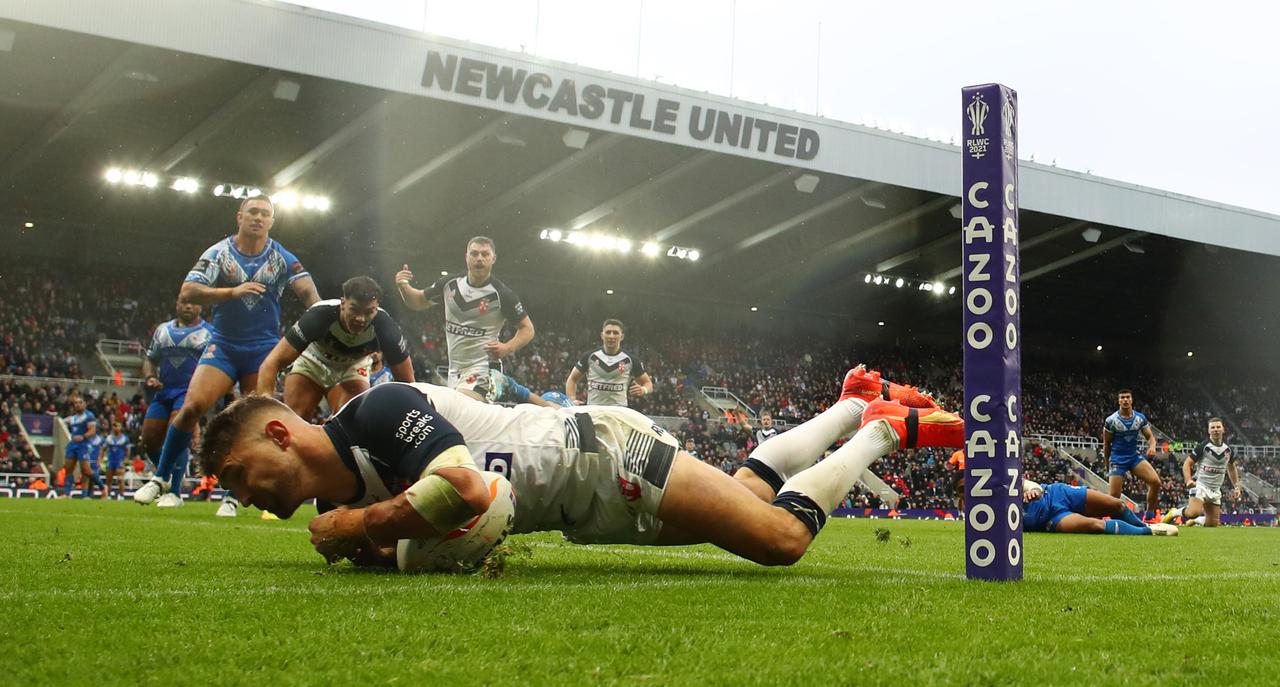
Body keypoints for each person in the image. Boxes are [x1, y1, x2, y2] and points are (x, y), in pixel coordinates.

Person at [198, 366, 965, 570]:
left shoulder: (372, 413)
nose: (246, 496)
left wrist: (360, 526)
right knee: (742, 498)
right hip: (579, 509)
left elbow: (462, 489)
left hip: (599, 453)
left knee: (776, 541)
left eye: (239, 474)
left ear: (277, 433)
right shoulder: (354, 467)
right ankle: (849, 406)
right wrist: (376, 544)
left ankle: (878, 434)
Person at [134, 195, 319, 516]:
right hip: (224, 346)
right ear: (239, 217)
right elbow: (188, 292)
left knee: (254, 424)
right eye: (253, 212)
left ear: (272, 222)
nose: (258, 218)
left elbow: (307, 291)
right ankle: (161, 478)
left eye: (265, 214)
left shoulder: (280, 257)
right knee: (191, 407)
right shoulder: (219, 254)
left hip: (262, 351)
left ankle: (233, 496)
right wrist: (230, 292)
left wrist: (319, 315)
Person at [394, 237, 534, 402]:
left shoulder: (502, 294)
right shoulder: (449, 284)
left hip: (484, 369)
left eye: (485, 254)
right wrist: (403, 285)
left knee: (460, 408)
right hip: (455, 371)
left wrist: (508, 347)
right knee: (459, 418)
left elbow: (527, 329)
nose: (479, 258)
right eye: (474, 253)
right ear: (466, 256)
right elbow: (417, 302)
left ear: (493, 258)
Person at [255, 276, 414, 419]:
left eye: (368, 312)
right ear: (343, 304)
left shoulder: (386, 327)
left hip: (352, 368)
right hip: (313, 361)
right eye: (354, 309)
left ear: (376, 307)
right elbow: (271, 363)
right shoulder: (319, 315)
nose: (360, 319)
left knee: (350, 422)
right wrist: (265, 414)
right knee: (296, 417)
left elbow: (409, 384)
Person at [139, 299, 213, 507]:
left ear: (201, 307)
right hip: (164, 391)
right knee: (149, 440)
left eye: (194, 303)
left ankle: (174, 493)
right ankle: (167, 473)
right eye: (184, 303)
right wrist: (149, 377)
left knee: (176, 429)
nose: (189, 306)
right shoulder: (163, 330)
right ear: (176, 305)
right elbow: (150, 359)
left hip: (190, 392)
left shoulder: (210, 333)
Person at [1021, 480, 1178, 535]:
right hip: (1049, 520)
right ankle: (1149, 531)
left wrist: (1035, 491)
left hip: (1056, 494)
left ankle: (1143, 524)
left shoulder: (1003, 482)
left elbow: (1029, 484)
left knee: (1116, 505)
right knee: (1094, 525)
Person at [1164, 417, 1241, 527]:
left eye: (1218, 427)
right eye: (1212, 427)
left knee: (1212, 524)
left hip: (1215, 490)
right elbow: (1187, 463)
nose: (1216, 429)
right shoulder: (1203, 447)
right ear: (1209, 431)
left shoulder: (1228, 450)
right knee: (1193, 512)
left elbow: (1232, 468)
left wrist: (1237, 486)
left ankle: (1197, 521)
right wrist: (1188, 480)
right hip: (1200, 485)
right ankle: (1174, 512)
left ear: (1223, 429)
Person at [1101, 389, 1162, 521]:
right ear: (1118, 401)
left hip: (1134, 457)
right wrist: (1107, 464)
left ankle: (1150, 516)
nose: (1125, 400)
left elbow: (1150, 437)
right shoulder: (1111, 420)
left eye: (1128, 397)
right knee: (1114, 497)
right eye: (1122, 397)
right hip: (1117, 459)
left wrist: (1152, 446)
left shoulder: (1140, 418)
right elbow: (1106, 444)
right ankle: (1110, 519)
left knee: (1156, 482)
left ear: (1131, 400)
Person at [565, 319, 652, 406]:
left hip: (619, 411)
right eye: (608, 332)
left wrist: (644, 390)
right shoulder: (590, 357)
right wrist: (572, 400)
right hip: (594, 411)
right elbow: (572, 379)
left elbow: (648, 383)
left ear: (622, 337)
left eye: (615, 333)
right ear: (602, 335)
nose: (611, 336)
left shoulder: (630, 359)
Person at [59, 394, 96, 497]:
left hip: (83, 445)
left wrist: (83, 437)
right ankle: (66, 494)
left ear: (85, 404)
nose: (78, 405)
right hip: (73, 444)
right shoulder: (73, 418)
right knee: (68, 468)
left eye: (80, 403)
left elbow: (92, 431)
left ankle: (94, 491)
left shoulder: (89, 416)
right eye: (76, 403)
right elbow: (62, 421)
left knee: (85, 471)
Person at [103, 421, 131, 499]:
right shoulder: (108, 438)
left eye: (117, 426)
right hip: (110, 460)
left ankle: (121, 495)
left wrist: (126, 459)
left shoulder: (125, 438)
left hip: (120, 461)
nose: (116, 428)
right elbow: (103, 448)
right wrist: (102, 458)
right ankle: (108, 495)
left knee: (120, 479)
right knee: (108, 479)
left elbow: (128, 450)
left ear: (120, 427)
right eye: (114, 426)